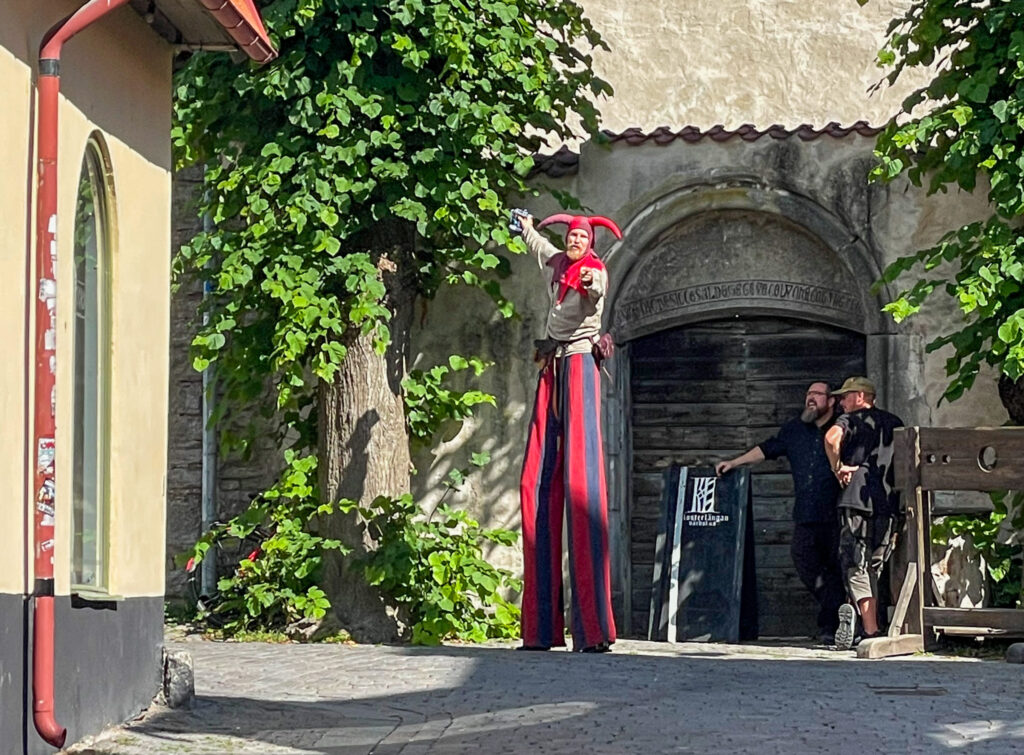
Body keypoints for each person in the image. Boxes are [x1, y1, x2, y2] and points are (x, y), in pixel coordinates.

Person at [516, 210, 621, 653]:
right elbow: (537, 245)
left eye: (582, 237)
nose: (576, 241)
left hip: (578, 362)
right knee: (536, 483)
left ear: (590, 242)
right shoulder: (556, 260)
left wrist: (591, 284)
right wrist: (525, 226)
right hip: (552, 364)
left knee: (581, 484)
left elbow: (596, 293)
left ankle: (592, 630)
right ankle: (540, 629)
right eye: (572, 236)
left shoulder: (594, 269)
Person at [716, 381, 845, 644]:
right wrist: (734, 462)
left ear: (831, 401)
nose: (810, 399)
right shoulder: (794, 430)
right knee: (804, 561)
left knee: (838, 568)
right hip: (806, 514)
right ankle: (837, 609)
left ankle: (832, 626)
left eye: (817, 394)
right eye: (808, 394)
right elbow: (767, 449)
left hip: (838, 514)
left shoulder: (843, 428)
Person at [823, 376, 904, 650]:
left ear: (860, 397)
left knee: (854, 562)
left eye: (845, 396)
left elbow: (831, 439)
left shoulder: (851, 420)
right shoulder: (895, 422)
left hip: (856, 497)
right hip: (888, 501)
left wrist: (838, 468)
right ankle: (860, 618)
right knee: (874, 565)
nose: (841, 403)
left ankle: (869, 629)